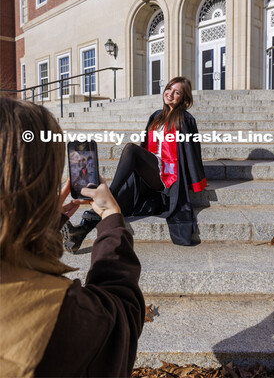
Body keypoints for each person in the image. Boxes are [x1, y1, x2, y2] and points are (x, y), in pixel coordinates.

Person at [0, 96, 145, 378]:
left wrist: (41, 220)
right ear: (35, 185)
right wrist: (111, 218)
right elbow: (120, 317)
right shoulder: (59, 313)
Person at [63, 76, 207, 253]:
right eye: (169, 89)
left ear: (183, 99)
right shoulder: (157, 116)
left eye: (177, 93)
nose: (170, 94)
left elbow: (192, 151)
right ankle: (80, 232)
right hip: (153, 168)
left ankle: (109, 193)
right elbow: (146, 148)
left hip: (169, 173)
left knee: (130, 150)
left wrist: (195, 181)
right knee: (125, 190)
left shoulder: (185, 119)